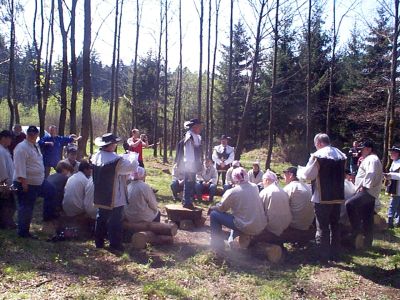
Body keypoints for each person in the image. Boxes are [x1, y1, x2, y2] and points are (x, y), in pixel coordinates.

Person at [297, 133, 346, 262]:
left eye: (315, 144)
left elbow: (308, 175)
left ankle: (322, 256)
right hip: (338, 197)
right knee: (335, 226)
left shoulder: (318, 156)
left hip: (322, 197)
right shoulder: (341, 155)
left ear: (319, 143)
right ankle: (335, 254)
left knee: (322, 227)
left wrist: (300, 172)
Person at [91, 133, 138, 252]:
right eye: (114, 143)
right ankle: (115, 244)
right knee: (115, 220)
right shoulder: (116, 160)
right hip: (114, 194)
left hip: (100, 192)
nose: (115, 145)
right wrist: (132, 157)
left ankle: (99, 242)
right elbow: (132, 167)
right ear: (110, 145)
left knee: (100, 217)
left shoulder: (95, 156)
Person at [13, 126, 57, 238]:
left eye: (34, 134)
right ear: (27, 134)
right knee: (26, 207)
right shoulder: (21, 148)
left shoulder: (35, 145)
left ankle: (47, 220)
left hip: (39, 182)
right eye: (30, 134)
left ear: (37, 135)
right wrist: (23, 182)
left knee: (51, 191)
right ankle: (23, 232)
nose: (32, 135)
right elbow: (19, 166)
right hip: (26, 182)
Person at [208, 167, 267, 250]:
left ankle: (216, 244)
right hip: (259, 224)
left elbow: (222, 208)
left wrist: (212, 207)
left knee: (214, 214)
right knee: (238, 216)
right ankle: (232, 239)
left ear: (234, 179)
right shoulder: (254, 187)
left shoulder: (233, 191)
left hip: (246, 225)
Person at [345, 140, 383, 248]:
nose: (361, 151)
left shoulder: (372, 159)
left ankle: (356, 231)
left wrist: (365, 187)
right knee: (367, 216)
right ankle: (367, 242)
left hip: (367, 191)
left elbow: (370, 173)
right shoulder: (373, 159)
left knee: (350, 204)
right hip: (370, 191)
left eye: (363, 149)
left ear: (369, 149)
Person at [175, 118, 203, 209]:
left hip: (194, 163)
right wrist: (190, 166)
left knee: (192, 182)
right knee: (188, 182)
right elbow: (189, 153)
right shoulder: (189, 137)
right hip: (189, 164)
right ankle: (186, 201)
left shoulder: (197, 136)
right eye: (199, 127)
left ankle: (188, 200)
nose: (200, 128)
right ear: (195, 127)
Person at [259, 170, 292, 239]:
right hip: (285, 225)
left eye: (263, 180)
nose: (262, 183)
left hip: (271, 226)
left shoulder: (264, 192)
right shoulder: (283, 191)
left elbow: (259, 210)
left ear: (267, 180)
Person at [283, 167, 314, 231]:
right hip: (307, 224)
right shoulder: (306, 187)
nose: (283, 177)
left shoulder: (289, 188)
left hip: (295, 224)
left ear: (291, 175)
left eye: (285, 174)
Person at [0, 130, 16, 229]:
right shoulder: (1, 151)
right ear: (4, 138)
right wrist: (4, 185)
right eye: (10, 138)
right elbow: (2, 169)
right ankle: (5, 224)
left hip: (8, 182)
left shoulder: (5, 150)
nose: (11, 141)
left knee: (9, 204)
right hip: (3, 183)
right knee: (6, 205)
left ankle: (8, 222)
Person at [385, 145, 400, 228]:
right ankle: (397, 222)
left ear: (397, 153)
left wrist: (390, 175)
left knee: (393, 205)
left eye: (392, 152)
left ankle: (390, 222)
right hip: (394, 187)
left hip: (398, 188)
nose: (390, 154)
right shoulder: (394, 162)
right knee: (397, 205)